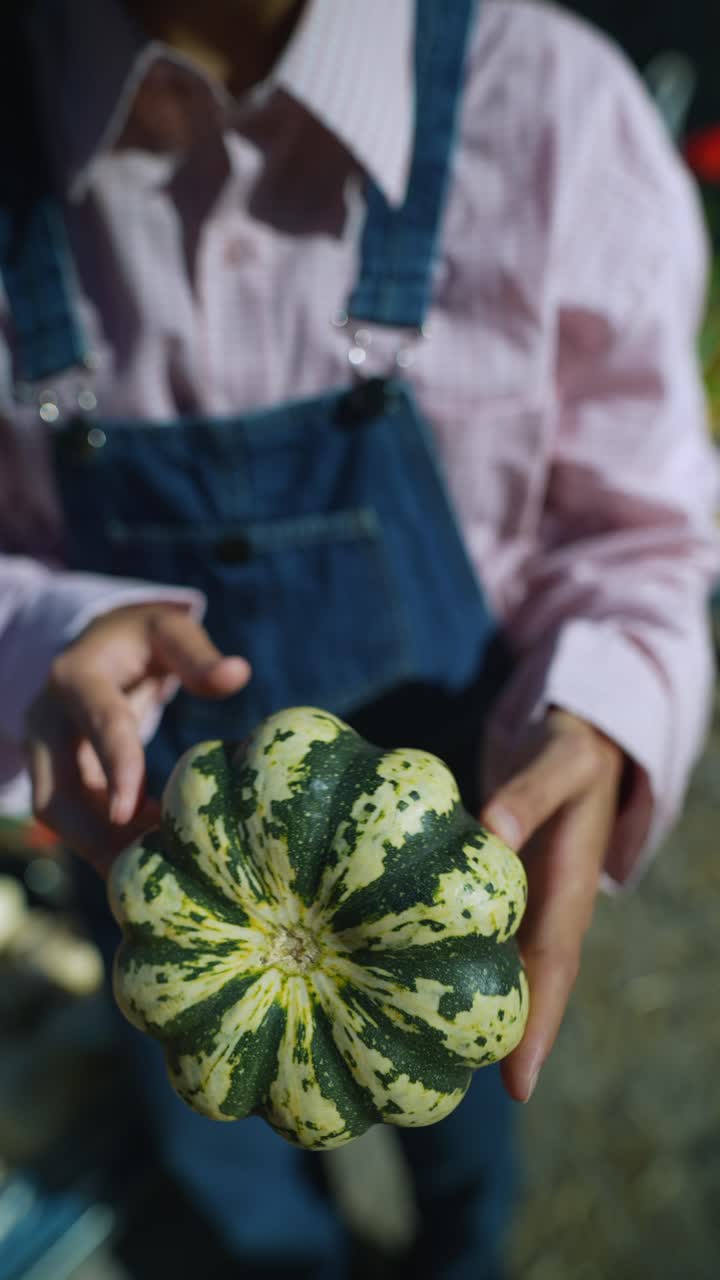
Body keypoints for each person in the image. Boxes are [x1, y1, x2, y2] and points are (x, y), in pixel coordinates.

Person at [1, 0, 717, 1276]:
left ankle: (459, 1250)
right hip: (160, 841)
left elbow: (646, 529)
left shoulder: (550, 111)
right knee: (221, 1141)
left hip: (454, 812)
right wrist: (39, 627)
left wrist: (607, 704)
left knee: (463, 1132)